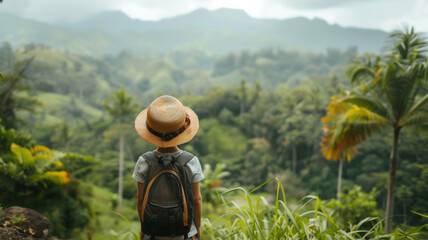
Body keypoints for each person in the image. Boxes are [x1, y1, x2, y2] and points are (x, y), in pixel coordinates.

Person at [132, 95, 204, 240]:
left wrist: (143, 228)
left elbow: (140, 199)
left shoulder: (144, 161)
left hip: (153, 233)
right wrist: (198, 228)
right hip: (185, 233)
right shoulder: (191, 161)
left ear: (150, 130)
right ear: (183, 129)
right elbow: (196, 200)